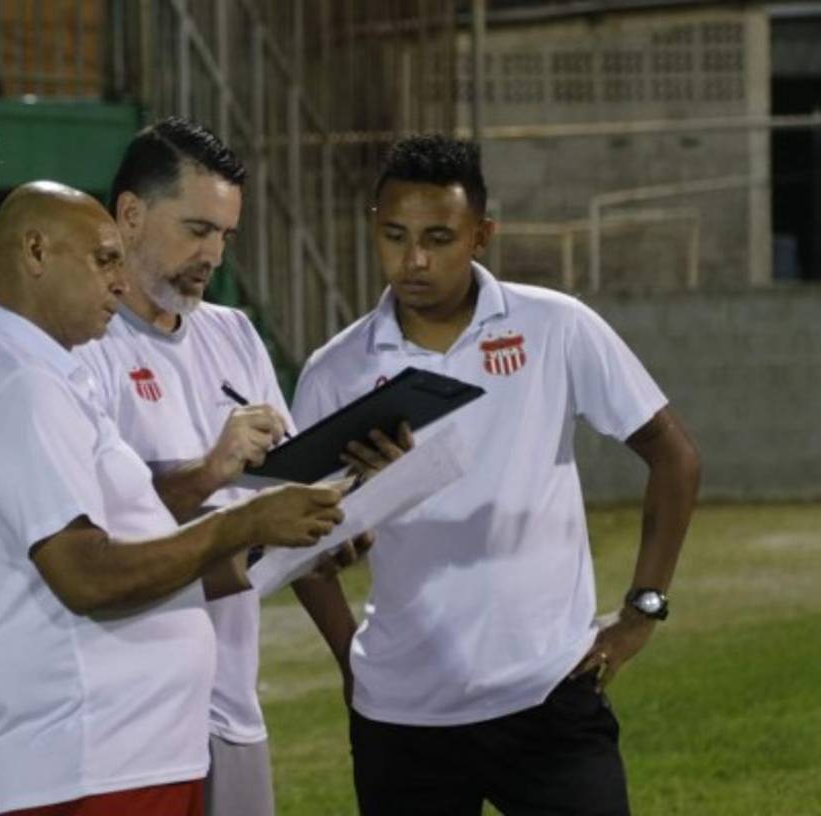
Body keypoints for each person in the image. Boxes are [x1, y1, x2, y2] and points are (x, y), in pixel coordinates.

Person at [290, 134, 702, 815]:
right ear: (372, 227)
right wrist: (348, 657)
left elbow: (675, 456)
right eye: (395, 235)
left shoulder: (554, 328)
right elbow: (299, 545)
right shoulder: (337, 372)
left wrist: (643, 610)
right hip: (402, 716)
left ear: (481, 235)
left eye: (439, 237)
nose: (414, 259)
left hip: (548, 696)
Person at [0, 181, 344, 816]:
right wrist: (244, 520)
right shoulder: (18, 389)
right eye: (103, 259)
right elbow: (87, 575)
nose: (120, 283)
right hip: (87, 766)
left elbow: (151, 560)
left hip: (127, 758)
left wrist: (295, 537)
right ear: (36, 253)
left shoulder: (54, 380)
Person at [73, 117, 406, 816]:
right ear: (129, 214)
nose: (213, 256)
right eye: (197, 229)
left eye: (225, 235)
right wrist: (210, 471)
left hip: (231, 704)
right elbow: (86, 545)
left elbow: (280, 503)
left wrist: (336, 525)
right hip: (119, 715)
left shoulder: (234, 334)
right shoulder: (78, 349)